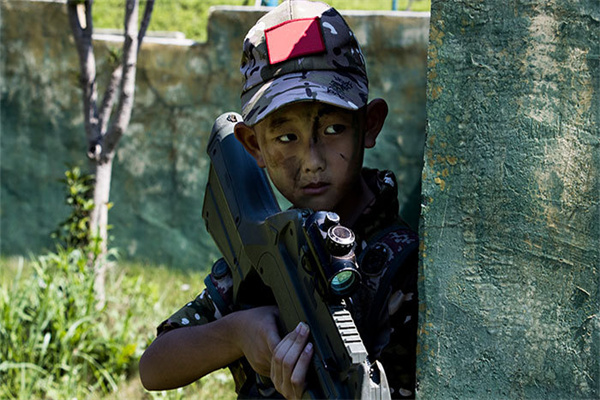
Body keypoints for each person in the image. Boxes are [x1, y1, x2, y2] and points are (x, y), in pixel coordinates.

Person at [139, 1, 419, 398]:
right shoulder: (278, 247)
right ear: (253, 144)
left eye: (334, 129)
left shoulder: (405, 269)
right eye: (286, 138)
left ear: (369, 124)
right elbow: (154, 367)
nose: (312, 161)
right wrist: (237, 333)